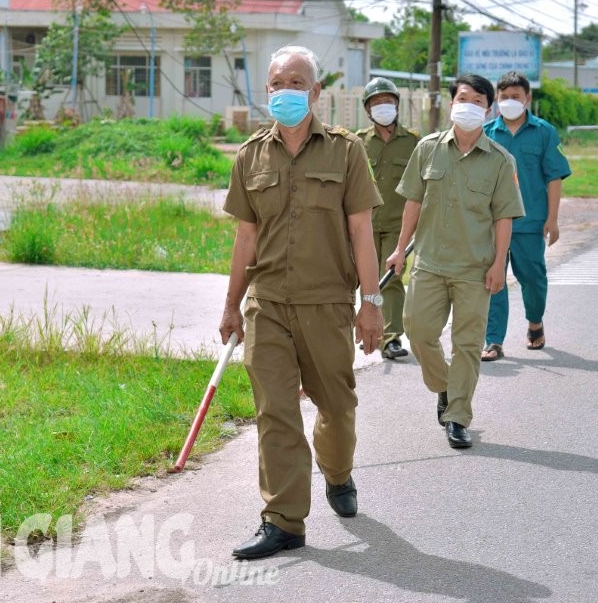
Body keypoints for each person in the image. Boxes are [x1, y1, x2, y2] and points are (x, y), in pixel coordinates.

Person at [219, 45, 384, 560]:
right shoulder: (249, 156)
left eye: (295, 83)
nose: (284, 91)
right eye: (275, 83)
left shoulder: (346, 150)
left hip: (327, 304)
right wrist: (231, 306)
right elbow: (246, 239)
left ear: (315, 92)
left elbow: (362, 232)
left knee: (336, 407)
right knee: (276, 412)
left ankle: (338, 473)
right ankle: (284, 520)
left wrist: (371, 301)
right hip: (266, 305)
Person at [385, 74, 524, 449]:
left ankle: (458, 415)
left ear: (489, 110)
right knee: (418, 332)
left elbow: (504, 217)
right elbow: (412, 202)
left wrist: (499, 265)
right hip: (429, 262)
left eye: (478, 101)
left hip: (474, 269)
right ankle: (445, 387)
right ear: (451, 104)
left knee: (467, 344)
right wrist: (400, 249)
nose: (470, 106)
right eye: (463, 98)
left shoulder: (499, 160)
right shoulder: (427, 149)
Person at [480, 71, 571, 361]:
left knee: (532, 278)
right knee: (493, 280)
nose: (509, 102)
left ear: (527, 99)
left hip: (530, 223)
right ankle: (493, 340)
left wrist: (552, 219)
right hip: (492, 224)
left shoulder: (544, 132)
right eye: (504, 97)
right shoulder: (486, 133)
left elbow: (554, 177)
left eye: (515, 97)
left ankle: (535, 322)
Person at [356, 77, 420, 360]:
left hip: (398, 225)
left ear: (397, 105)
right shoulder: (357, 142)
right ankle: (366, 327)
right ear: (368, 109)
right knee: (363, 279)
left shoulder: (415, 143)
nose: (383, 107)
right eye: (376, 103)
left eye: (387, 102)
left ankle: (390, 338)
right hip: (363, 226)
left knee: (391, 278)